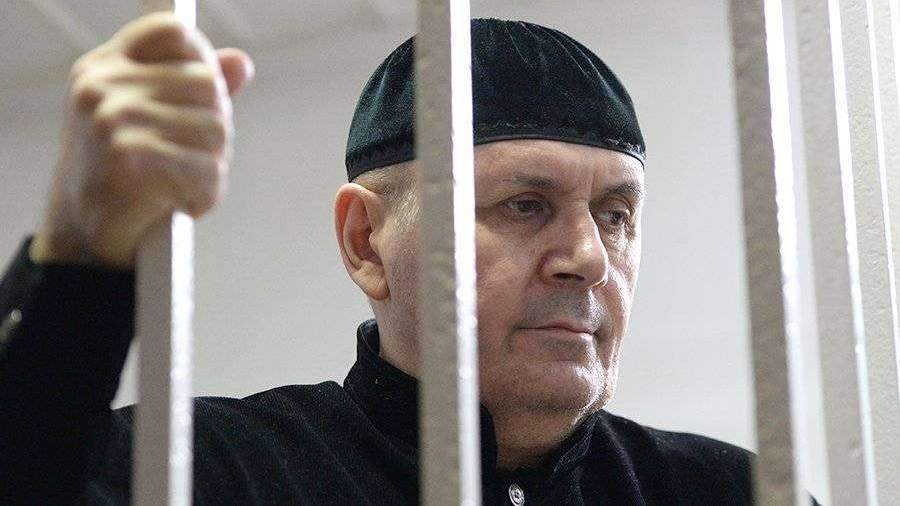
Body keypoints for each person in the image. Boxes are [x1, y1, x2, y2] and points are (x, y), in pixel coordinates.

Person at [0, 13, 816, 506]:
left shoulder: (729, 492)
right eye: (524, 205)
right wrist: (77, 256)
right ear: (367, 243)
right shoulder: (212, 473)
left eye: (616, 215)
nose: (587, 258)